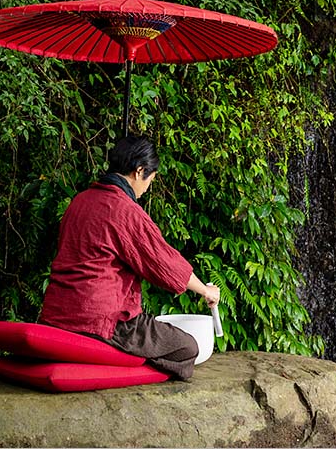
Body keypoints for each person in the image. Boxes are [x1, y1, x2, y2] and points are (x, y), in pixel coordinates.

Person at [39, 135, 220, 380]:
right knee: (186, 348)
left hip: (57, 315)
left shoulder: (79, 201)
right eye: (150, 180)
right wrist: (205, 291)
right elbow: (164, 263)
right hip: (102, 321)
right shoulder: (125, 211)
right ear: (139, 171)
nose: (146, 189)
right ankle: (123, 370)